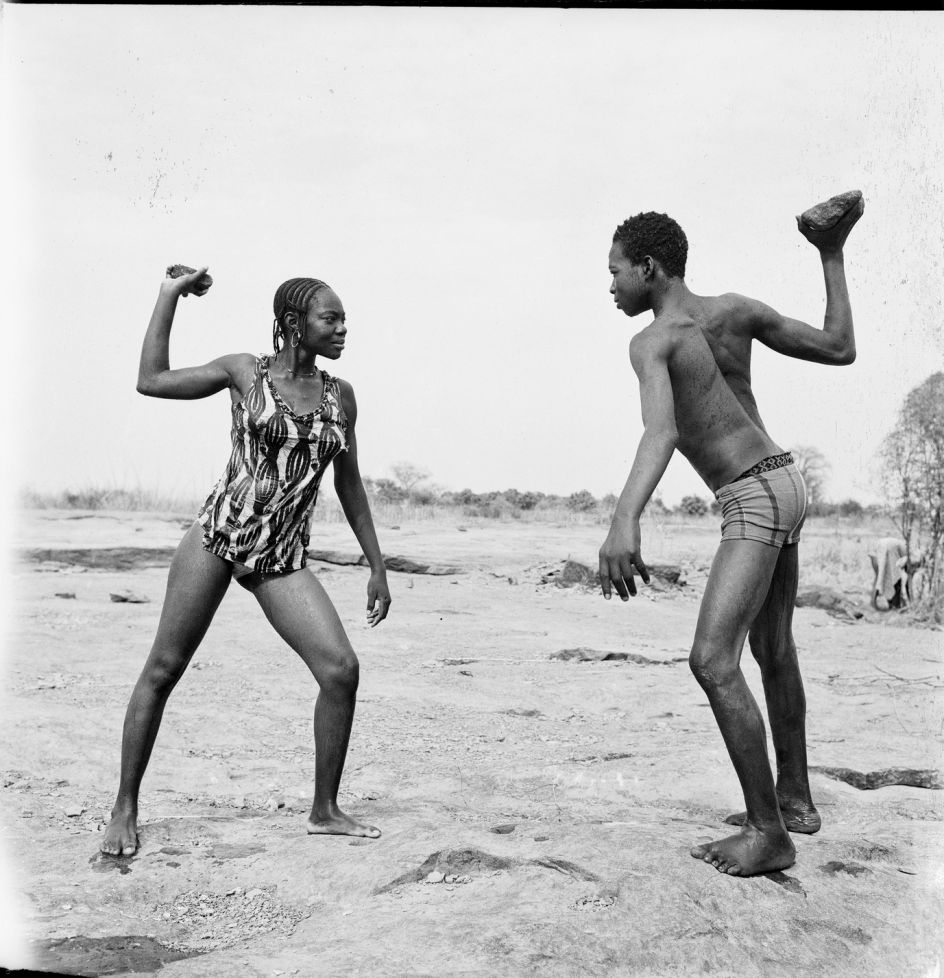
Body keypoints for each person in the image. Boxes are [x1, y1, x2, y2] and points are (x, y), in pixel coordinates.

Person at [599, 196, 862, 877]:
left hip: (751, 495)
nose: (611, 285)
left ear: (648, 268)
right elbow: (840, 347)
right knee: (773, 647)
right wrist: (831, 255)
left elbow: (661, 430)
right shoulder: (733, 311)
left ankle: (770, 833)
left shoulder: (652, 341)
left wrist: (624, 517)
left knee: (713, 661)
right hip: (788, 482)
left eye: (616, 271)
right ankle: (795, 797)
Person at [101, 268, 391, 857]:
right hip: (218, 536)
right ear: (293, 325)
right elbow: (151, 381)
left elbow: (350, 482)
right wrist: (169, 295)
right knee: (164, 669)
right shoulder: (244, 371)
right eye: (329, 319)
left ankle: (325, 809)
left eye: (343, 320)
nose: (342, 330)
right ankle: (124, 806)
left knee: (340, 670)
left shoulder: (342, 397)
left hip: (280, 554)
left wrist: (376, 564)